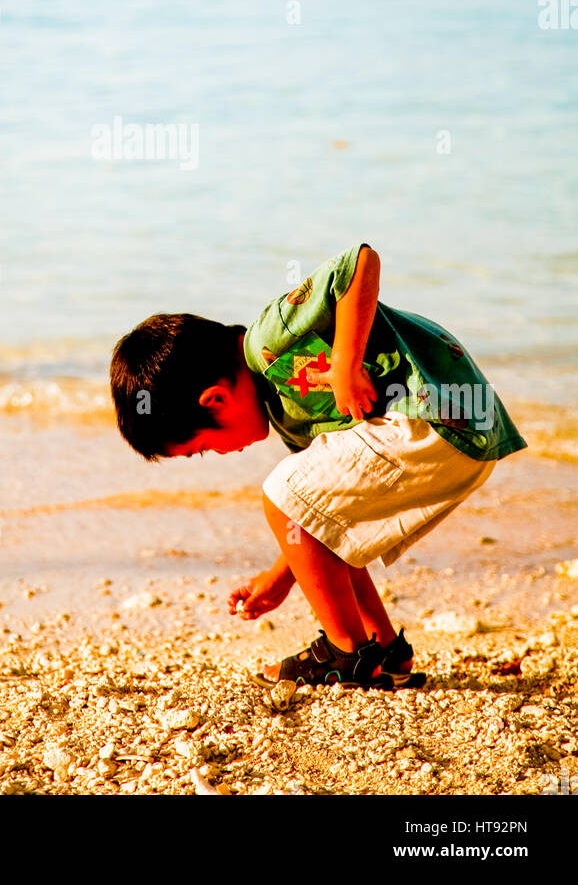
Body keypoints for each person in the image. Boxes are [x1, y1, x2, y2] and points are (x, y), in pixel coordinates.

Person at [109, 243, 527, 689]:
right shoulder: (288, 417)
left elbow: (359, 263)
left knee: (280, 494)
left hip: (434, 414)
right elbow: (312, 523)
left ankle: (347, 652)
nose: (220, 455)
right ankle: (383, 648)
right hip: (462, 434)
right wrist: (279, 578)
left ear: (216, 399)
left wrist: (346, 362)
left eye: (204, 448)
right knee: (327, 522)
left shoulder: (267, 342)